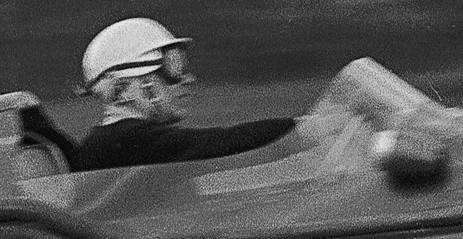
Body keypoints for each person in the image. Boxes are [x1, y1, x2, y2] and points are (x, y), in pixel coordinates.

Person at [64, 17, 295, 171]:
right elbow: (218, 142)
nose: (187, 79)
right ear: (124, 90)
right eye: (171, 68)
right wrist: (300, 129)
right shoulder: (125, 141)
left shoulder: (113, 141)